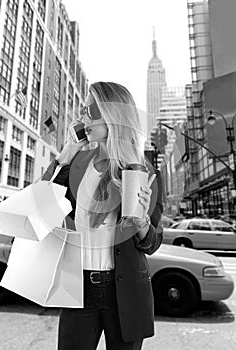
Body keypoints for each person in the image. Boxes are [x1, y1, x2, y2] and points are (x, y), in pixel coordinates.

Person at [42, 82, 163, 350]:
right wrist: (67, 153)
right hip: (79, 289)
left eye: (92, 110)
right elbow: (43, 203)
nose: (84, 117)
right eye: (83, 110)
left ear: (114, 115)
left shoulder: (142, 171)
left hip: (125, 293)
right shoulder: (79, 164)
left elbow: (153, 242)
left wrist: (141, 222)